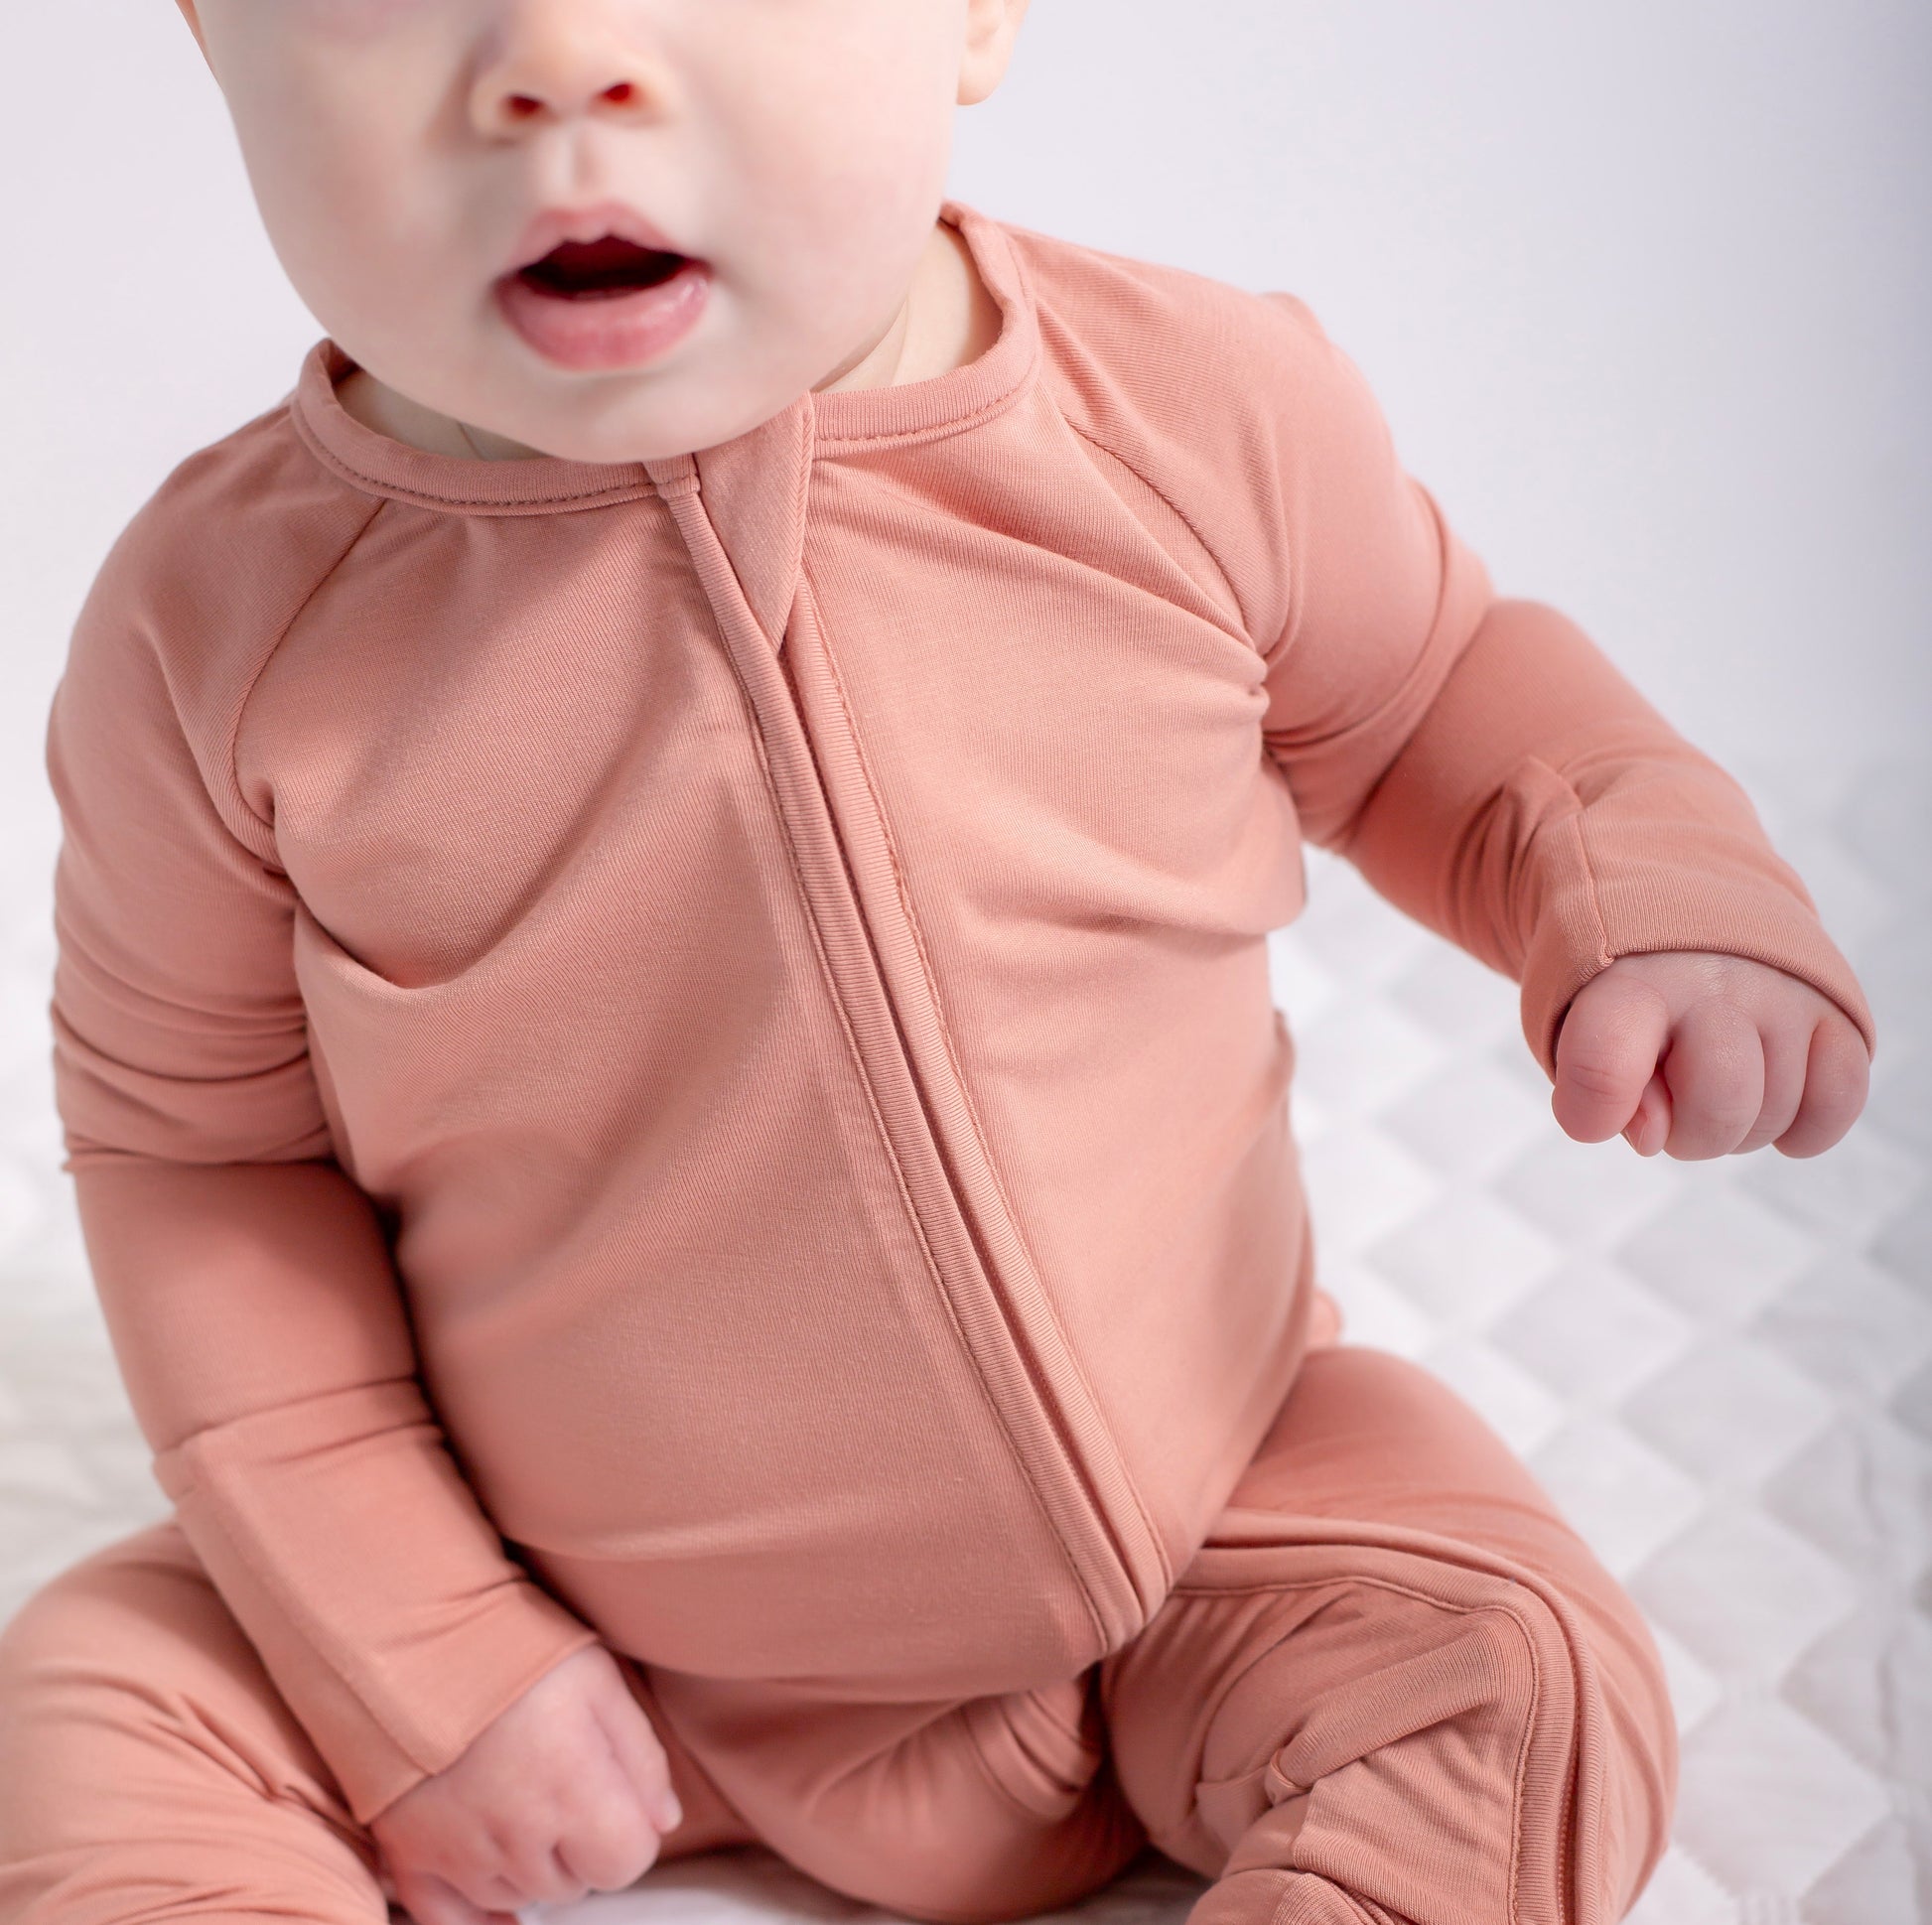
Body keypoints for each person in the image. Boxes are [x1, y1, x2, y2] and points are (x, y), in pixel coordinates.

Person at [0, 3, 1877, 1924]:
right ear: (217, 43)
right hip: (582, 1629)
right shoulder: (218, 640)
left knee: (1521, 1684)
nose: (560, 63)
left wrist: (1644, 885)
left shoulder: (1184, 413)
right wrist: (428, 1651)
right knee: (106, 1702)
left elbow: (1440, 703)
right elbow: (200, 1160)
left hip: (1218, 1525)